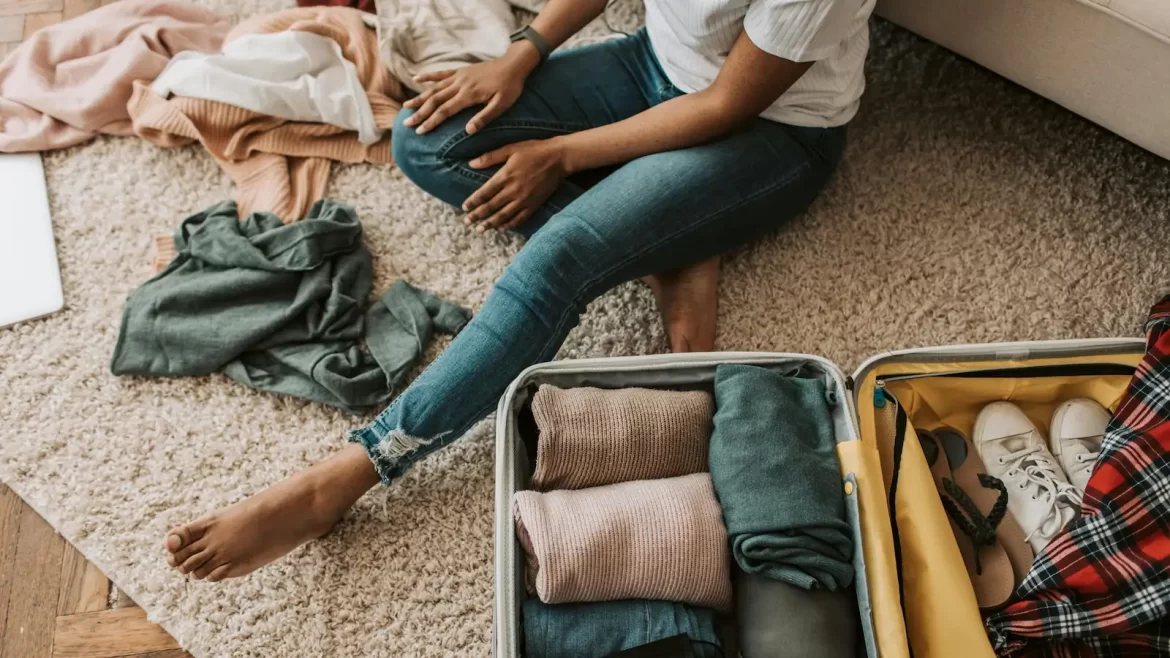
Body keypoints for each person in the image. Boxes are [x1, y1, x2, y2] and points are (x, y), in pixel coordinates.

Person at [163, 0, 875, 581]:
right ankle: (675, 241)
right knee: (425, 138)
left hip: (767, 131)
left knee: (559, 256)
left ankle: (349, 474)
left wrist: (562, 152)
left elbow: (726, 104)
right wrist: (521, 52)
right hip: (652, 66)